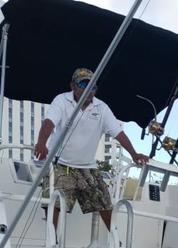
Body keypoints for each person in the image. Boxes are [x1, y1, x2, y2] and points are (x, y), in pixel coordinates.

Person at [34, 68, 149, 231]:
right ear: (72, 86)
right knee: (56, 201)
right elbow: (49, 122)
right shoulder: (62, 100)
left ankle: (116, 243)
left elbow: (119, 133)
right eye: (83, 84)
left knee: (104, 201)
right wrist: (41, 143)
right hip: (60, 165)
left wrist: (134, 154)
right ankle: (52, 243)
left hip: (87, 166)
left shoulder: (101, 108)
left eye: (92, 86)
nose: (88, 89)